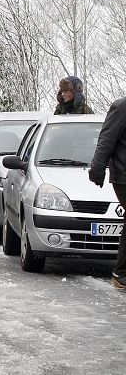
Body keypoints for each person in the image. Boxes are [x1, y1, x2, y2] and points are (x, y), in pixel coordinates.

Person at [88, 96, 126, 290]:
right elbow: (106, 140)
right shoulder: (122, 107)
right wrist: (97, 170)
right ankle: (121, 274)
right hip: (124, 175)